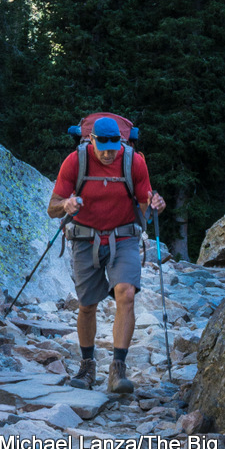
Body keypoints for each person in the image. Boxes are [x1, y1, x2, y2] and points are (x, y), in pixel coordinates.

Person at [48, 116, 166, 394]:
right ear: (92, 140)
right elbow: (52, 207)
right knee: (87, 305)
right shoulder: (75, 161)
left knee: (126, 293)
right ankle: (88, 365)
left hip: (123, 237)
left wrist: (155, 203)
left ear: (120, 142)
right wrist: (65, 204)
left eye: (114, 145)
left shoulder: (133, 161)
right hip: (85, 238)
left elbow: (145, 198)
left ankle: (118, 369)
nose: (109, 152)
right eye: (103, 146)